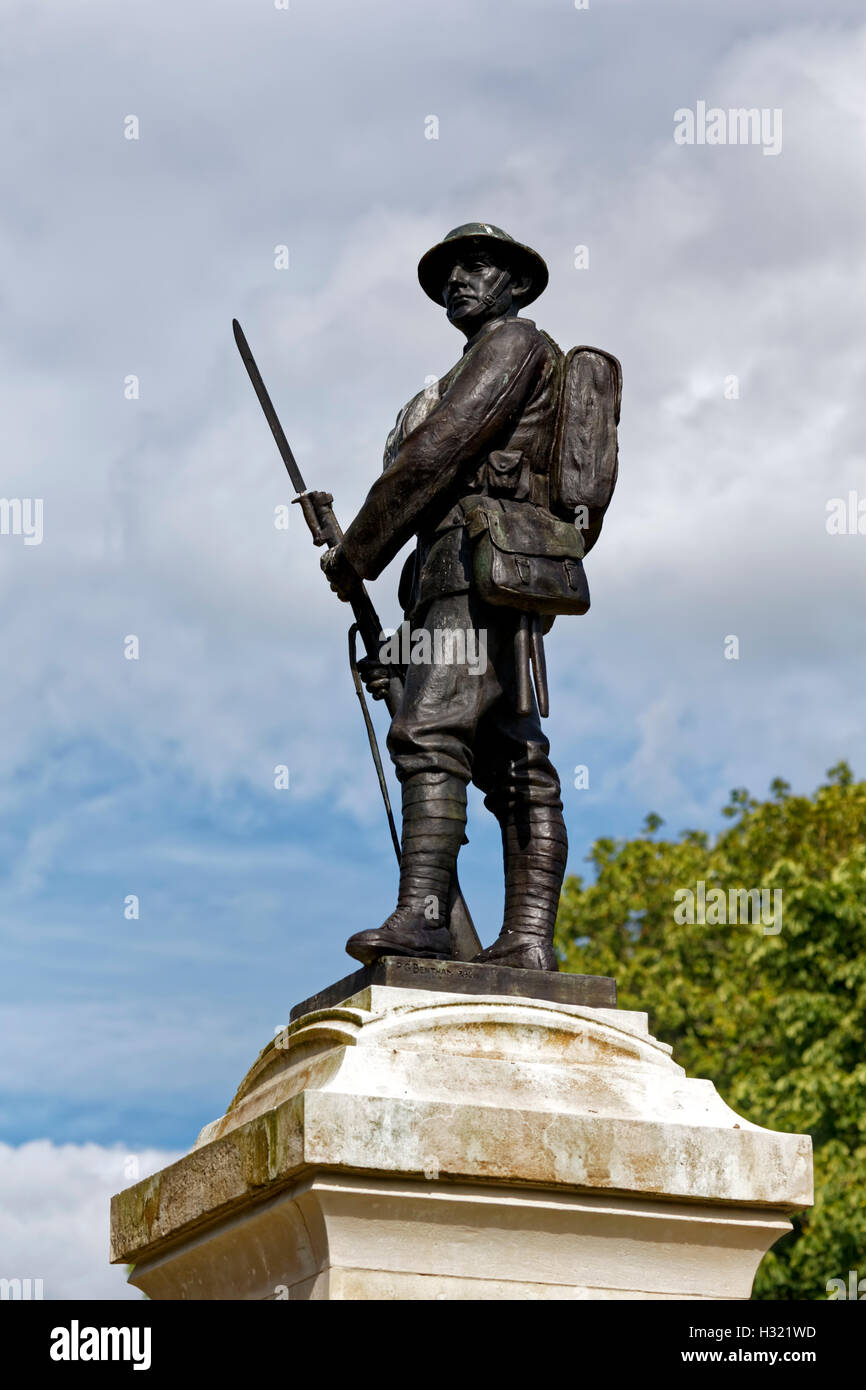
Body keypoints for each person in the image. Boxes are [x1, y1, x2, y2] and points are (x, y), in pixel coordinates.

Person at [321, 223, 569, 972]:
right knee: (510, 757)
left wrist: (356, 551)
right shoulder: (479, 358)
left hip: (474, 573)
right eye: (450, 272)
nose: (460, 279)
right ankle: (527, 942)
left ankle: (426, 921)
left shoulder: (513, 344)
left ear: (516, 284)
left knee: (431, 735)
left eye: (479, 265)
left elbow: (438, 454)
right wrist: (402, 648)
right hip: (469, 577)